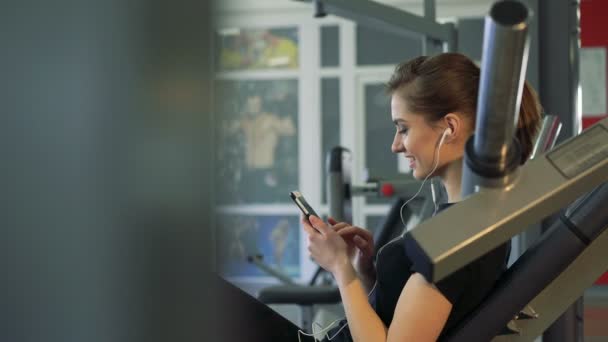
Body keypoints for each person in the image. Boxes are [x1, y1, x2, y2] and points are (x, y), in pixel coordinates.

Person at [301, 52, 542, 341]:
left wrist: (339, 268)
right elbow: (391, 319)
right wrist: (362, 272)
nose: (395, 145)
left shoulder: (460, 235)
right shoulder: (463, 222)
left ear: (450, 128)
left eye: (403, 128)